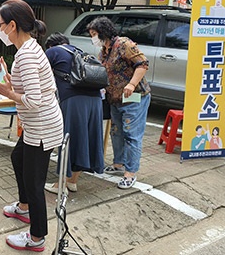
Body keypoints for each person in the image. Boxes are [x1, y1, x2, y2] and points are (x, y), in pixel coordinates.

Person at [0, 0, 64, 252]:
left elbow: (32, 100)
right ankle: (23, 208)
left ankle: (37, 237)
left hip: (41, 127)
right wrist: (9, 79)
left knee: (35, 183)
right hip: (39, 124)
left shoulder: (26, 55)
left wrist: (5, 91)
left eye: (1, 24)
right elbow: (32, 88)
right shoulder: (28, 49)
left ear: (12, 25)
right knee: (17, 157)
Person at [86, 16, 151, 190]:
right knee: (117, 132)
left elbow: (142, 64)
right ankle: (119, 164)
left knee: (131, 134)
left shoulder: (124, 44)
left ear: (103, 32)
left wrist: (131, 84)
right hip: (115, 99)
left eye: (94, 34)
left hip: (135, 96)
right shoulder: (104, 51)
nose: (93, 38)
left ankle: (130, 172)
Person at [43, 32, 104, 194]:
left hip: (74, 100)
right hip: (96, 100)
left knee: (69, 140)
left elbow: (40, 76)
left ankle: (60, 186)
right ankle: (72, 181)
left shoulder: (53, 51)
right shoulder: (80, 52)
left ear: (50, 45)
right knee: (84, 139)